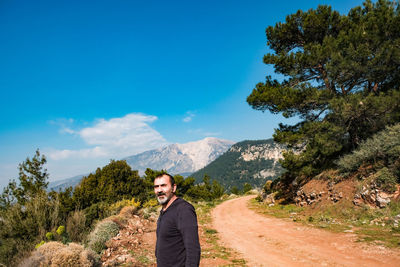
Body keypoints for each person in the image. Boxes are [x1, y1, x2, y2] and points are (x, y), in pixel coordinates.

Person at [154, 173, 201, 267]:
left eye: (163, 185)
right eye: (156, 187)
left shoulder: (183, 210)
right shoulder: (165, 210)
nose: (159, 190)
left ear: (173, 188)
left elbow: (193, 249)